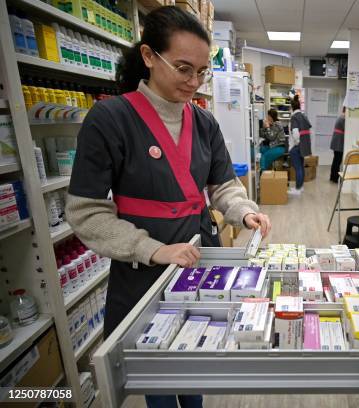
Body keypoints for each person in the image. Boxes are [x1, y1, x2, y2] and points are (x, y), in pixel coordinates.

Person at [64, 7, 271, 408]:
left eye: (201, 72)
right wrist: (153, 250)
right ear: (148, 57)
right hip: (143, 268)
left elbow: (223, 185)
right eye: (182, 68)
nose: (194, 82)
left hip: (199, 258)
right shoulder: (110, 119)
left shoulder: (204, 122)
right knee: (155, 369)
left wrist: (244, 211)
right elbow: (86, 212)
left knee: (194, 356)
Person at [288, 95, 312, 195]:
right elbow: (308, 129)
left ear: (292, 107)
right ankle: (300, 187)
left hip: (297, 146)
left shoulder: (294, 117)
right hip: (304, 146)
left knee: (298, 167)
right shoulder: (303, 116)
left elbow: (295, 133)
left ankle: (297, 189)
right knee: (301, 167)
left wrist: (296, 144)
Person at [329, 106, 345, 183]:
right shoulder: (343, 118)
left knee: (336, 160)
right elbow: (346, 129)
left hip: (337, 141)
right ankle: (335, 178)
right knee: (337, 161)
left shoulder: (341, 117)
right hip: (338, 142)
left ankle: (333, 177)